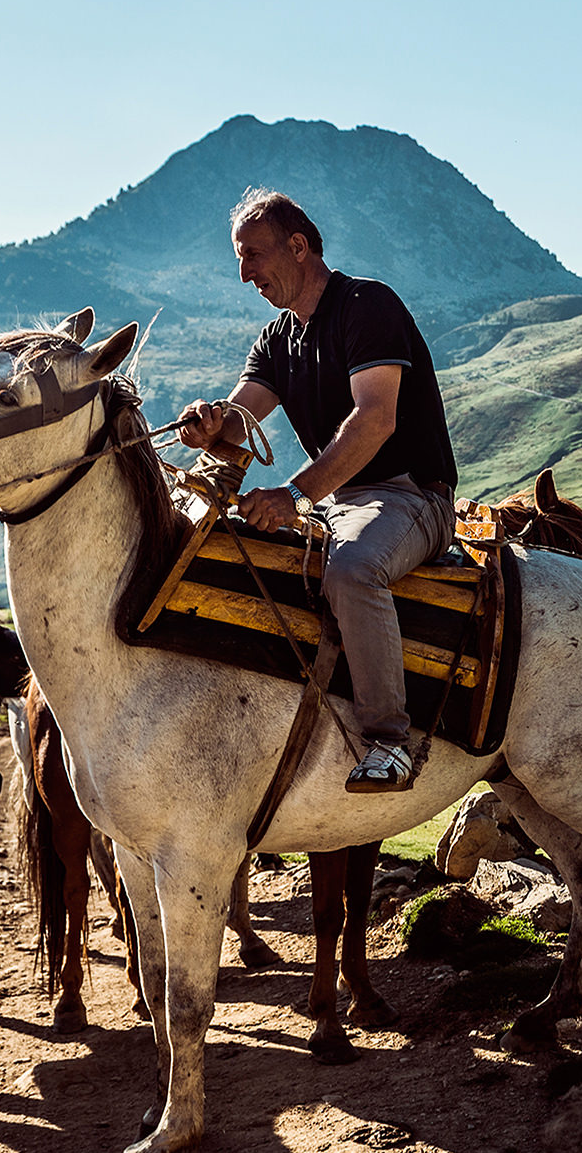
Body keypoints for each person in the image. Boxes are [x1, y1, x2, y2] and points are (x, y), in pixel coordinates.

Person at [178, 188, 459, 793]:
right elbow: (242, 417)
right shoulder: (277, 338)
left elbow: (375, 419)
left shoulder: (367, 304)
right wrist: (211, 424)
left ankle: (391, 741)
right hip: (341, 503)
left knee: (353, 571)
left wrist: (296, 495)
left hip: (410, 497)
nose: (244, 273)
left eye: (252, 255)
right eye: (239, 258)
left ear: (298, 247)